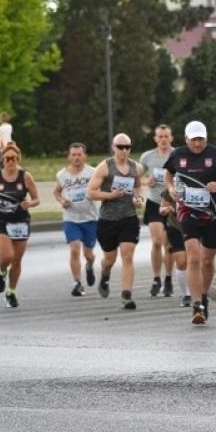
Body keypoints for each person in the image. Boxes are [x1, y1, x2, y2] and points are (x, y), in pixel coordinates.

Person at [166, 120, 216, 322]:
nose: (197, 144)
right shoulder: (178, 155)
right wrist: (172, 189)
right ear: (186, 139)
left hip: (212, 214)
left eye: (201, 139)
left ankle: (204, 295)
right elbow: (168, 174)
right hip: (186, 212)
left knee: (207, 260)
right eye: (194, 140)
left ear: (206, 138)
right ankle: (196, 305)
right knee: (193, 257)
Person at [85, 133, 148, 311]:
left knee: (127, 255)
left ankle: (126, 295)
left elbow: (137, 187)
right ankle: (105, 274)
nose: (124, 150)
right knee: (109, 260)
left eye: (127, 147)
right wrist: (110, 195)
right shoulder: (105, 167)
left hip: (128, 218)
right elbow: (90, 192)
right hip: (108, 220)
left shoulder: (136, 167)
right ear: (113, 147)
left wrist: (138, 199)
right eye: (120, 147)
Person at [0, 142, 39, 307]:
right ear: (2, 159)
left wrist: (30, 204)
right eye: (7, 158)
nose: (10, 161)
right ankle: (2, 272)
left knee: (17, 260)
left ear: (18, 159)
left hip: (20, 220)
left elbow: (37, 199)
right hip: (1, 220)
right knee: (6, 256)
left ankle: (11, 292)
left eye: (13, 158)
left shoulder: (26, 177)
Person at [141, 124, 182, 300]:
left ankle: (168, 279)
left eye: (166, 136)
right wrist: (145, 181)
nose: (163, 139)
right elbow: (137, 177)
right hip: (154, 203)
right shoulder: (147, 157)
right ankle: (156, 278)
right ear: (155, 139)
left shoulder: (178, 155)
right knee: (157, 242)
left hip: (171, 203)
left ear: (171, 138)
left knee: (168, 245)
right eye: (160, 136)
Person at [54, 142, 99, 297]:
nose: (76, 157)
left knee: (88, 254)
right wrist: (62, 201)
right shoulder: (62, 175)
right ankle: (77, 283)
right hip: (71, 218)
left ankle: (90, 265)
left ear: (85, 156)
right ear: (68, 157)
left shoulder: (93, 173)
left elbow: (101, 188)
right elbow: (57, 192)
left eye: (79, 154)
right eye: (73, 155)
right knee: (74, 250)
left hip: (90, 218)